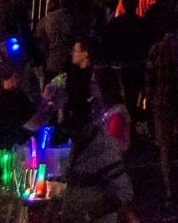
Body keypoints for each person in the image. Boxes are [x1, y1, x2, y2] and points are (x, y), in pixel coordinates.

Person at [57, 73, 133, 223]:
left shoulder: (103, 150)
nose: (72, 134)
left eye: (74, 129)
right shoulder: (81, 144)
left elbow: (124, 193)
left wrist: (90, 214)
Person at [146, 15, 178, 202]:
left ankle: (169, 189)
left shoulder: (156, 49)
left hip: (162, 103)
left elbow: (149, 79)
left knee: (165, 147)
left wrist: (150, 100)